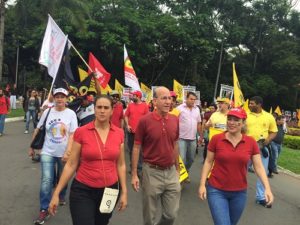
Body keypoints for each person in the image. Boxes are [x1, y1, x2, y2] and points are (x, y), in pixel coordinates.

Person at [49, 95, 127, 225]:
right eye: (99, 107)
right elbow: (71, 164)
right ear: (94, 109)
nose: (102, 111)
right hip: (83, 190)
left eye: (106, 107)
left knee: (101, 223)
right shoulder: (81, 132)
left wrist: (124, 192)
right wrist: (56, 193)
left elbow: (121, 164)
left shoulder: (119, 133)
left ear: (112, 111)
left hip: (110, 191)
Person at [198, 107, 274, 225]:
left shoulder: (251, 142)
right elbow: (208, 162)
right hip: (216, 190)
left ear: (243, 123)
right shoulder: (216, 139)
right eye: (229, 119)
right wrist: (202, 184)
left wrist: (267, 188)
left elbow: (259, 167)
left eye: (236, 120)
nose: (231, 123)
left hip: (239, 193)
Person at [131, 86, 181, 225]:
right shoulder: (145, 121)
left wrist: (177, 169)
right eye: (163, 98)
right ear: (154, 101)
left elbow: (175, 145)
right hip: (151, 172)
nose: (168, 101)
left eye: (169, 98)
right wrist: (135, 174)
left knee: (171, 215)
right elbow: (136, 147)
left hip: (171, 172)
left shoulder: (174, 120)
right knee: (149, 217)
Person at [29, 87, 78, 225]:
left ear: (66, 99)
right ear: (54, 98)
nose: (60, 99)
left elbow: (73, 134)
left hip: (64, 153)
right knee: (46, 180)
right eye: (57, 96)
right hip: (47, 151)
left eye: (62, 97)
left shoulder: (71, 114)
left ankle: (61, 195)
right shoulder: (48, 112)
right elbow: (38, 128)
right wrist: (31, 146)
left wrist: (68, 151)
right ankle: (44, 209)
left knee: (63, 177)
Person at [247, 96, 277, 208]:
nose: (250, 105)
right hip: (245, 148)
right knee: (239, 169)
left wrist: (267, 140)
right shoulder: (245, 115)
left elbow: (274, 132)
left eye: (252, 103)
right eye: (250, 103)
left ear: (259, 104)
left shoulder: (269, 117)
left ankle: (260, 197)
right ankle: (232, 191)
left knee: (262, 173)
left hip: (261, 149)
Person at [177, 92, 203, 175]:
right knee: (182, 159)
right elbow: (174, 121)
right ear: (186, 98)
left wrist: (201, 136)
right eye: (191, 99)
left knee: (191, 159)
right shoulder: (179, 108)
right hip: (181, 138)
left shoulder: (197, 109)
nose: (193, 101)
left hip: (192, 139)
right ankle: (181, 177)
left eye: (194, 100)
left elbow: (199, 123)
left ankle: (186, 171)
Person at [124, 90, 149, 174]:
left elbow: (147, 119)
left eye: (134, 95)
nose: (132, 97)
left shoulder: (145, 106)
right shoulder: (130, 105)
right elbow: (126, 116)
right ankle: (132, 168)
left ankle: (139, 168)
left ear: (138, 96)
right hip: (131, 132)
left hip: (141, 133)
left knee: (140, 151)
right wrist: (127, 125)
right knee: (131, 150)